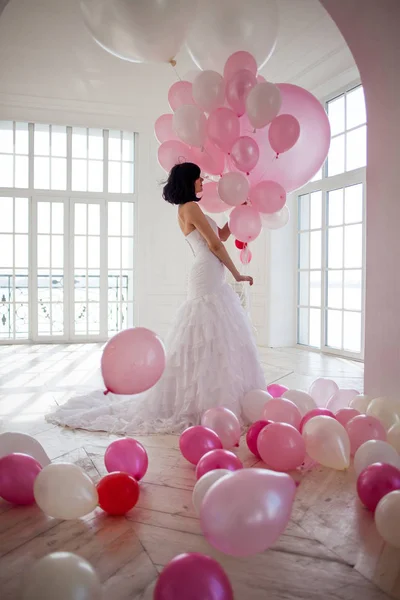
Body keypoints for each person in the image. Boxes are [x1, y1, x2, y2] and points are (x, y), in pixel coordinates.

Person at [46, 163, 266, 434]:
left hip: (210, 274)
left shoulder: (190, 209)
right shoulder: (190, 208)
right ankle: (201, 402)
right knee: (205, 331)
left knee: (215, 334)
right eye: (198, 178)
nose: (202, 181)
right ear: (188, 180)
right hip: (206, 273)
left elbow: (221, 235)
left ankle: (212, 399)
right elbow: (215, 245)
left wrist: (237, 213)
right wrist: (237, 274)